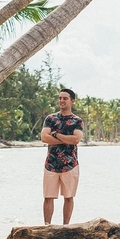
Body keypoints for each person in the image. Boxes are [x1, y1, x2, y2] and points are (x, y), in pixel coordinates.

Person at [40, 87, 83, 224]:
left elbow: (76, 140)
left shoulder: (77, 121)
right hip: (51, 164)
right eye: (60, 98)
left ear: (72, 101)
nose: (61, 101)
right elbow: (44, 138)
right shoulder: (51, 119)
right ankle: (47, 226)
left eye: (65, 98)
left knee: (69, 197)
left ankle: (66, 227)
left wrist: (57, 135)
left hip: (70, 165)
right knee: (48, 197)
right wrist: (66, 139)